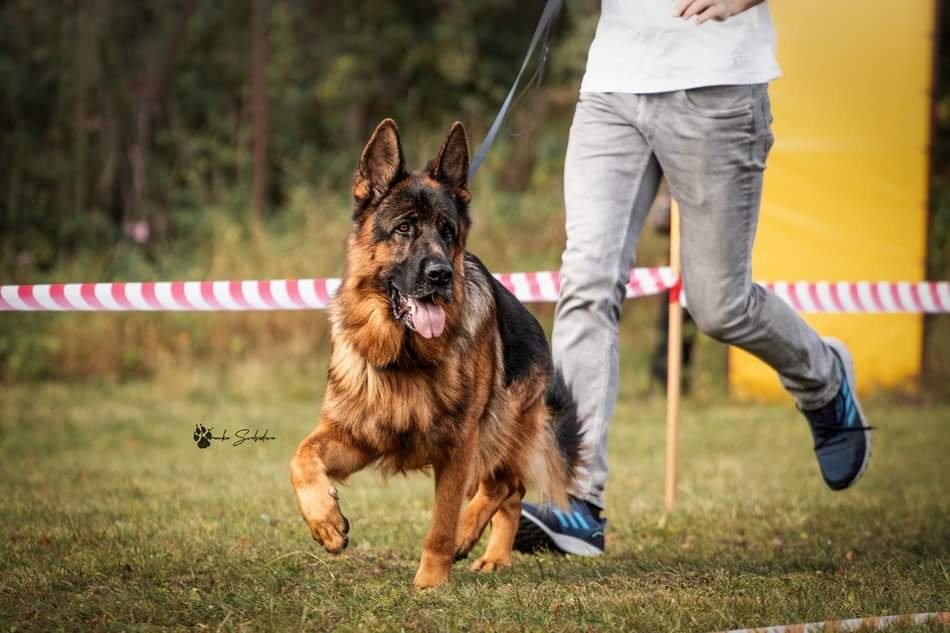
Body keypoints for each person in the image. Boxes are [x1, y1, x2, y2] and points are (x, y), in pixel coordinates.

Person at [512, 0, 873, 557]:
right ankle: (576, 502)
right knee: (585, 282)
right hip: (614, 82)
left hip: (719, 86)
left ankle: (823, 379)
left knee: (720, 304)